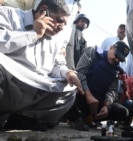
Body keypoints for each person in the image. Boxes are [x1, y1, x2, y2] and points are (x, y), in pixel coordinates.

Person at [0, 0, 83, 131]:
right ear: (44, 10)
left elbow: (57, 64)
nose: (61, 27)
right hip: (8, 85)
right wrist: (33, 34)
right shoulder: (9, 14)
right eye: (59, 20)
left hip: (35, 91)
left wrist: (67, 73)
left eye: (65, 24)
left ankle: (23, 119)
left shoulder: (56, 38)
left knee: (69, 89)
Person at [63, 41, 130, 131]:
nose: (117, 60)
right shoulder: (92, 52)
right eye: (116, 55)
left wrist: (107, 105)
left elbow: (112, 90)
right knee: (68, 91)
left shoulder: (117, 70)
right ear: (111, 47)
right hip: (81, 95)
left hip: (98, 102)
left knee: (123, 112)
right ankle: (75, 118)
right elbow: (80, 73)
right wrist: (89, 95)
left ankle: (90, 118)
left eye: (120, 59)